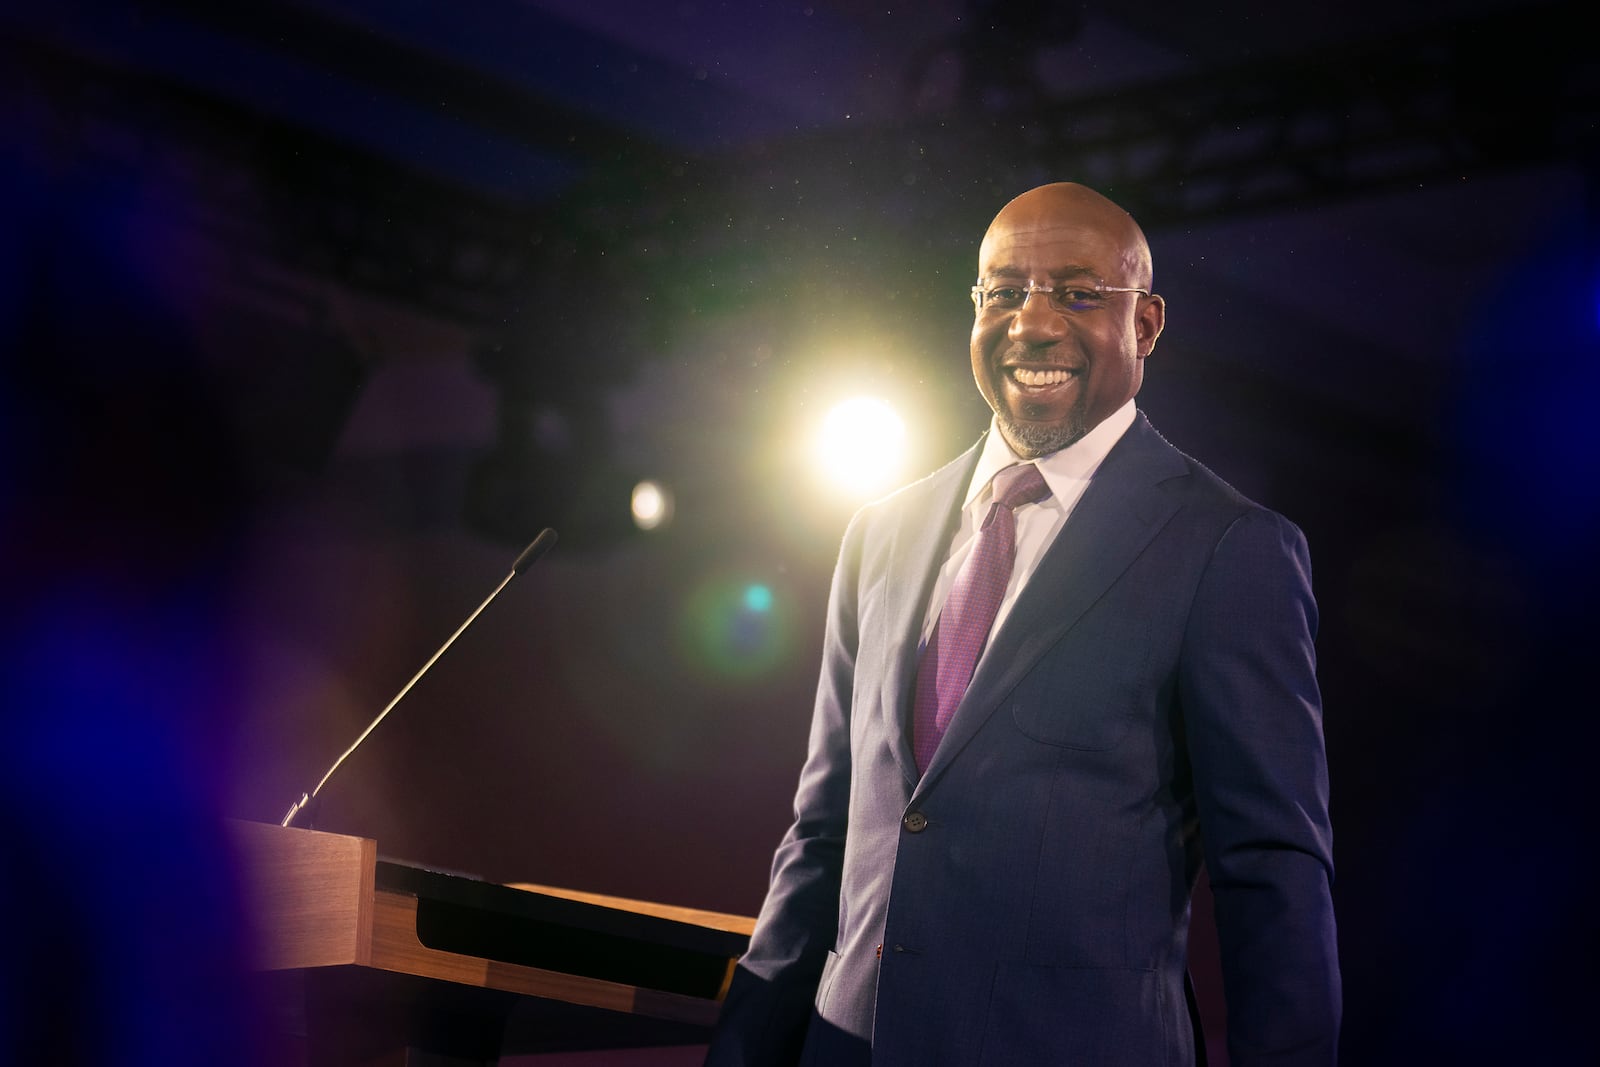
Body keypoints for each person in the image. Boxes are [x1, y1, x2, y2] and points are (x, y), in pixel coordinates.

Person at [704, 182, 1339, 1066]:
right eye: (1003, 291)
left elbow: (1272, 872)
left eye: (1080, 294)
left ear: (1147, 324)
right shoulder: (880, 535)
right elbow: (824, 835)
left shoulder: (1230, 547)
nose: (1033, 323)